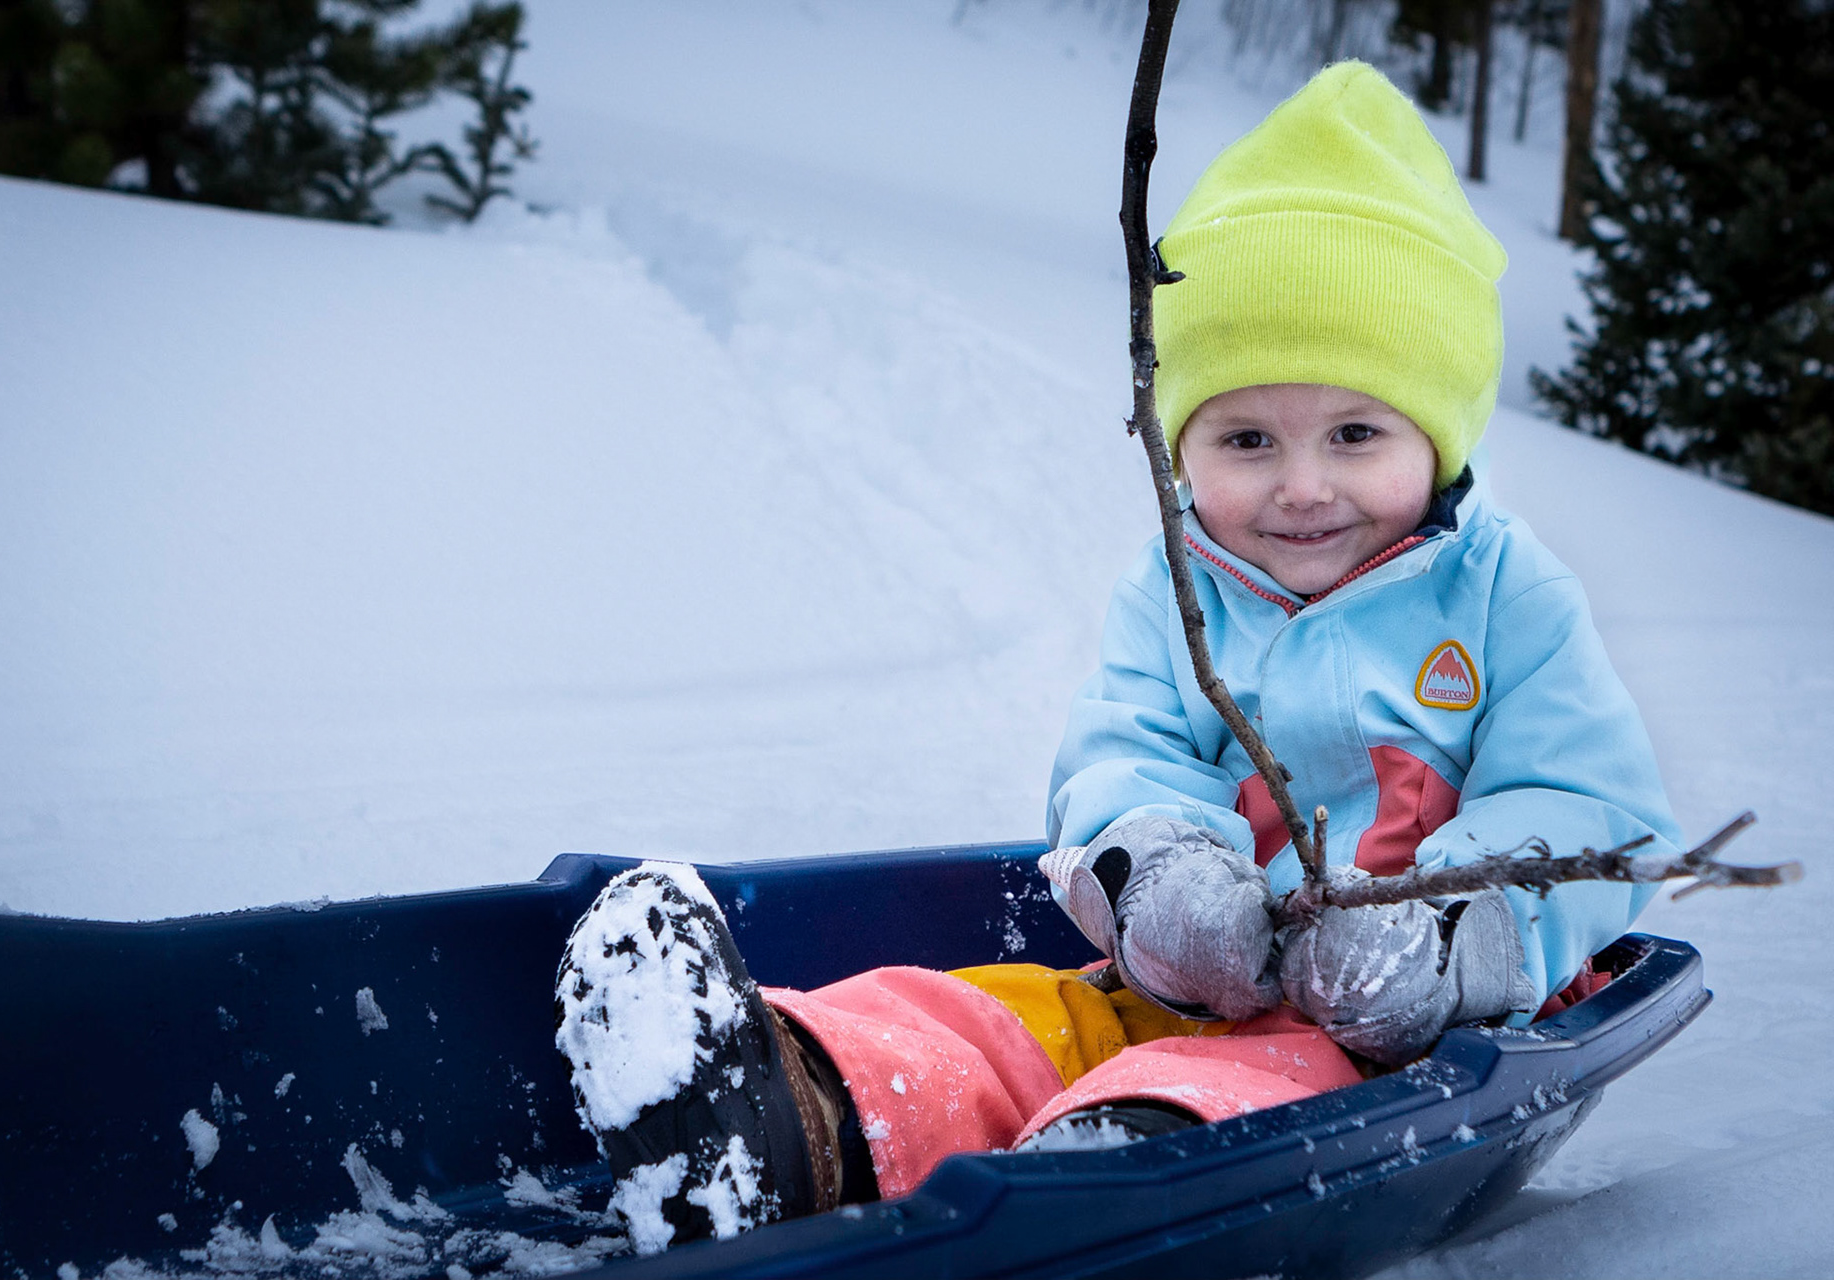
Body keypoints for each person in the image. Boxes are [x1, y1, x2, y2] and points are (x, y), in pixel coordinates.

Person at [551, 62, 1681, 1255]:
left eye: (1356, 433)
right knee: (1003, 1014)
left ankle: (1120, 1158)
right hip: (1178, 984)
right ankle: (787, 1101)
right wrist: (1164, 880)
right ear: (1181, 443)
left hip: (1402, 1041)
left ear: (1437, 432)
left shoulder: (1509, 596)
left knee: (1248, 1081)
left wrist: (1446, 929)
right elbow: (1119, 752)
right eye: (1247, 437)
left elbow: (1593, 804)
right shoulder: (1176, 586)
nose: (1301, 484)